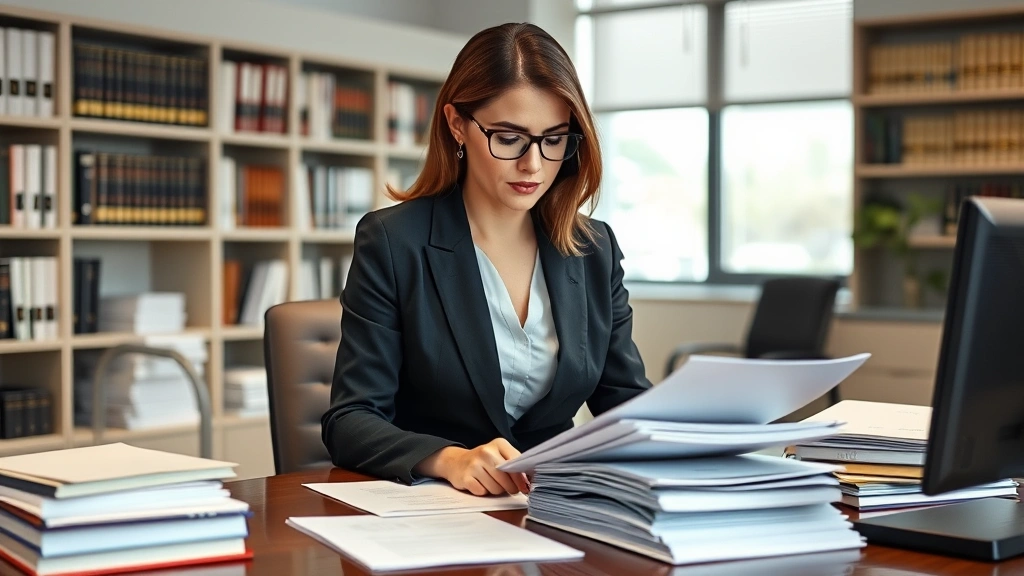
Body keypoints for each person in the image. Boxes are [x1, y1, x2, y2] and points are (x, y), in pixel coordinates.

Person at [322, 22, 651, 497]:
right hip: (434, 514)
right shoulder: (394, 242)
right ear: (457, 124)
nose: (533, 165)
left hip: (555, 510)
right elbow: (349, 421)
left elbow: (625, 404)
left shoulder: (593, 249)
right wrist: (450, 459)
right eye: (508, 137)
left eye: (554, 139)